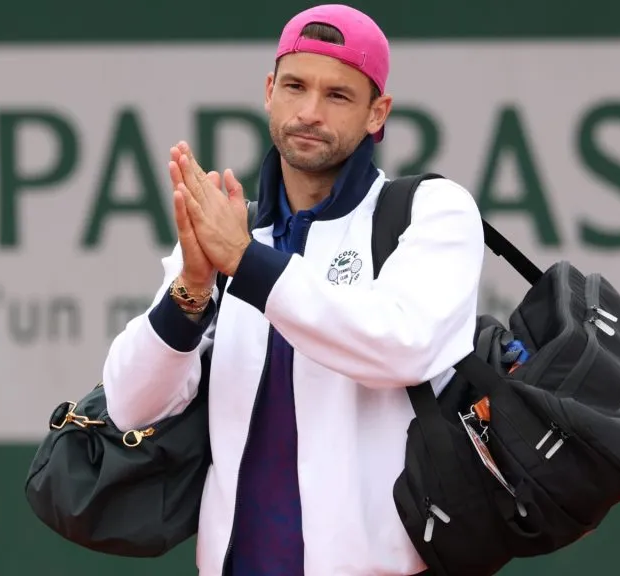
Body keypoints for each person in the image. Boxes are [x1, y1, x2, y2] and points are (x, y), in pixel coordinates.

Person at [102, 4, 485, 575]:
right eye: (295, 86)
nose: (309, 112)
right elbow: (130, 406)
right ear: (268, 92)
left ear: (377, 113)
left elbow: (405, 346)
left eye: (338, 95)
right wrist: (192, 286)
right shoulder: (233, 230)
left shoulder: (431, 210)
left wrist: (247, 264)